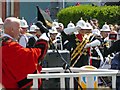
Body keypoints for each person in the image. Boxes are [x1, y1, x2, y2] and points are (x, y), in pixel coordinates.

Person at [1, 17, 49, 89]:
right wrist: (43, 42)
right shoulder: (8, 45)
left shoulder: (5, 43)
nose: (20, 31)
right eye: (19, 28)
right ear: (12, 30)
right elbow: (29, 56)